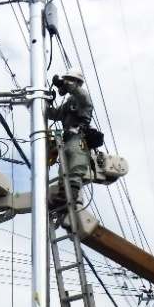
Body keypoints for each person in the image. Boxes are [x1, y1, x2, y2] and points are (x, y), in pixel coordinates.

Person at [46, 68, 95, 209]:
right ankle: (63, 195)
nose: (66, 84)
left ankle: (72, 194)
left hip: (79, 137)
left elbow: (81, 95)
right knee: (64, 169)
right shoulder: (68, 103)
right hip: (66, 139)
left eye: (69, 81)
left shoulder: (82, 98)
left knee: (75, 163)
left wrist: (65, 85)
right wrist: (48, 101)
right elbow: (52, 114)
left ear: (76, 82)